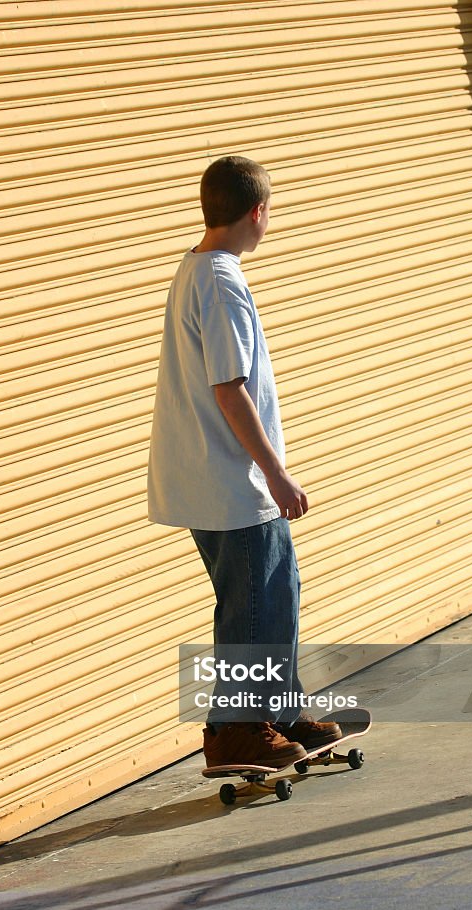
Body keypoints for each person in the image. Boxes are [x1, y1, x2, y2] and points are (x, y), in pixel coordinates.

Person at [147, 155, 342, 768]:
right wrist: (276, 471)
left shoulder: (194, 268)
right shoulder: (223, 281)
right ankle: (236, 731)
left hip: (214, 480)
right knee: (255, 609)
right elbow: (228, 387)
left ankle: (278, 712)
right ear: (257, 212)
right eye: (270, 211)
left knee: (266, 599)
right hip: (235, 483)